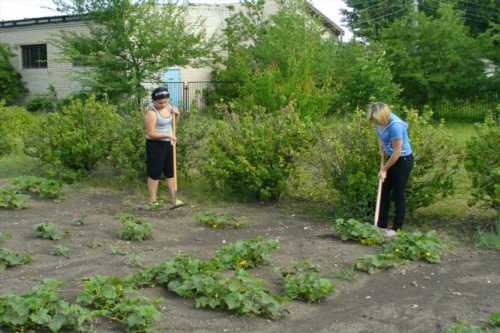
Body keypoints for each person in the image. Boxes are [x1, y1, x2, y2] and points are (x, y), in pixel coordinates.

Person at [368, 102, 414, 236]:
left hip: (402, 160)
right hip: (390, 157)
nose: (376, 123)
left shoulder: (396, 126)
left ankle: (396, 229)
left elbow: (397, 152)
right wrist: (381, 147)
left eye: (377, 121)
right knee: (384, 191)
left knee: (398, 194)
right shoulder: (378, 122)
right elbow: (381, 136)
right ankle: (381, 225)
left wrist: (384, 169)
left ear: (384, 116)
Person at [144, 87, 182, 209]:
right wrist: (168, 135)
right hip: (155, 145)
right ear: (154, 101)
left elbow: (173, 123)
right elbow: (151, 133)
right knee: (155, 173)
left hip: (168, 143)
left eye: (165, 102)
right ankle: (153, 201)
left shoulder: (169, 107)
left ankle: (174, 199)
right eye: (160, 103)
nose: (163, 104)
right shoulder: (151, 113)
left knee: (170, 172)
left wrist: (177, 115)